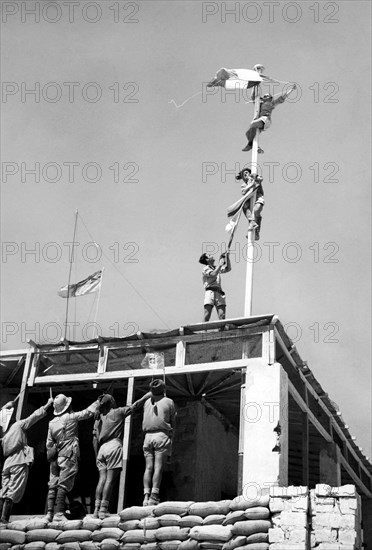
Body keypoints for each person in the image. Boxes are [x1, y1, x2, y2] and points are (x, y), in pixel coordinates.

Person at [92, 390, 152, 518]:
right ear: (111, 403)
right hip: (113, 446)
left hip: (102, 449)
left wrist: (97, 454)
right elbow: (135, 406)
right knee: (110, 480)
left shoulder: (99, 417)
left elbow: (94, 439)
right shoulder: (117, 412)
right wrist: (147, 395)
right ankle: (103, 510)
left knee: (101, 479)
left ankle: (96, 509)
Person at [45, 394, 100, 522]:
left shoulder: (51, 423)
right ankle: (59, 514)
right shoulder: (70, 417)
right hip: (68, 454)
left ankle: (49, 514)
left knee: (53, 483)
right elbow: (87, 412)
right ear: (67, 406)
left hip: (54, 457)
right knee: (64, 484)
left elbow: (48, 444)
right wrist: (97, 402)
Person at [0, 397, 53, 524]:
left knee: (3, 491)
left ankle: (1, 518)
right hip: (19, 460)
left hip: (7, 463)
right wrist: (47, 404)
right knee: (13, 491)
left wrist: (6, 407)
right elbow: (34, 417)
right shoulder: (18, 425)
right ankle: (4, 518)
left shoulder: (2, 433)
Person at [142, 379, 176, 506]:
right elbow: (174, 423)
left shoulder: (146, 402)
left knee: (148, 467)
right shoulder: (169, 401)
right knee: (158, 467)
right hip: (161, 435)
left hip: (147, 437)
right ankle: (154, 496)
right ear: (164, 390)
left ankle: (145, 496)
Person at [243, 83, 297, 152]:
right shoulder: (259, 104)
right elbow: (253, 97)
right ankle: (256, 147)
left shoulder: (272, 103)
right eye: (265, 96)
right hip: (260, 121)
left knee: (253, 124)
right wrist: (254, 85)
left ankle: (250, 144)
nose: (266, 97)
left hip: (265, 120)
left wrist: (291, 89)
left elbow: (282, 98)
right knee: (248, 133)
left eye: (268, 97)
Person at [199, 252, 231, 322]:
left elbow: (228, 269)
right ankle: (203, 332)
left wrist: (227, 257)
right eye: (209, 255)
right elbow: (213, 274)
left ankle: (221, 332)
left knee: (222, 316)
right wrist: (220, 264)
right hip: (210, 292)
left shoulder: (216, 268)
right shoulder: (205, 269)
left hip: (219, 293)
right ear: (207, 259)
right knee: (207, 315)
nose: (212, 255)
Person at [236, 168, 264, 240]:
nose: (245, 174)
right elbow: (244, 192)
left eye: (246, 172)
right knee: (244, 205)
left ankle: (257, 233)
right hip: (249, 199)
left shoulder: (254, 177)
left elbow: (260, 179)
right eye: (243, 175)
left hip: (258, 198)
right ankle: (252, 222)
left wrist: (255, 179)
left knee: (256, 211)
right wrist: (250, 185)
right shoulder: (243, 185)